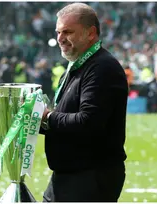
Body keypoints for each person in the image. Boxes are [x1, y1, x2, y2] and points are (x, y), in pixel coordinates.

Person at [40, 3, 128, 202]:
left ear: (91, 33)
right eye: (58, 32)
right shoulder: (76, 67)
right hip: (67, 176)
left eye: (68, 32)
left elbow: (89, 122)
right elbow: (66, 120)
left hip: (91, 177)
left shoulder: (102, 68)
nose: (60, 38)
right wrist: (31, 121)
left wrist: (49, 117)